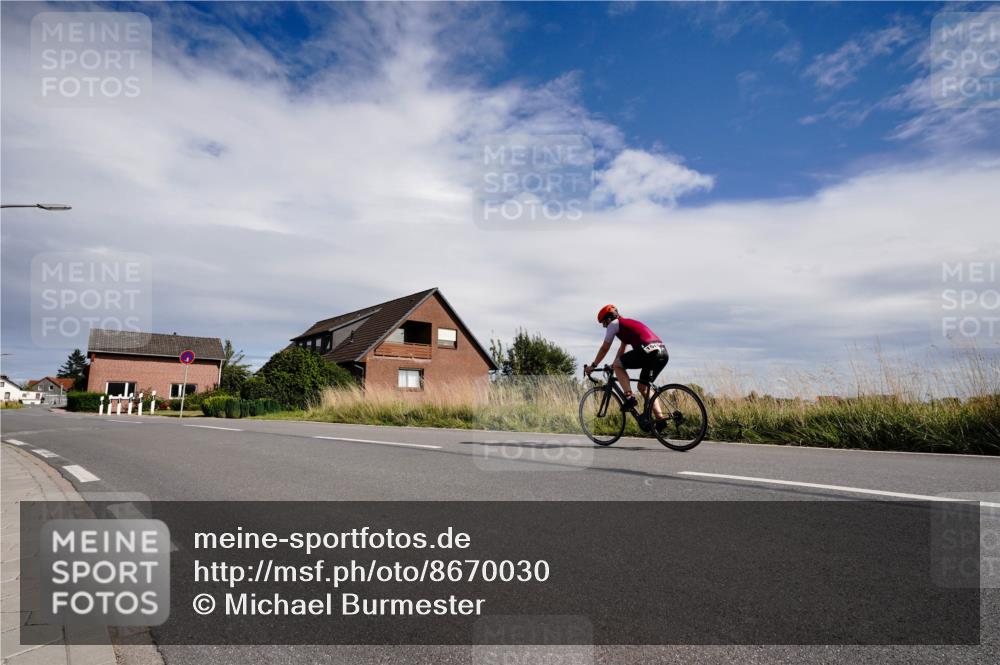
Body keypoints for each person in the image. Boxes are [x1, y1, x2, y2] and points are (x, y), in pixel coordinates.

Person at [584, 304, 669, 428]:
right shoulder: (626, 325)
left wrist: (593, 365)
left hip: (647, 352)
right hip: (662, 352)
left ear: (608, 319)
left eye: (603, 324)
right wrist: (614, 365)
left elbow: (604, 348)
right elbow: (622, 349)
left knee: (620, 365)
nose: (605, 326)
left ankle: (629, 398)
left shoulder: (613, 324)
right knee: (643, 387)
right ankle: (660, 420)